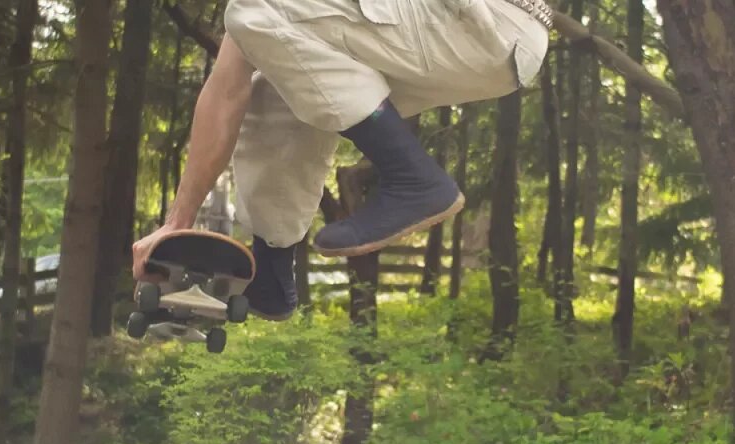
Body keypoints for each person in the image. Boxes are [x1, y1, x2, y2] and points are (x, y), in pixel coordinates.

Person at [132, 0, 551, 321]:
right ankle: (272, 273)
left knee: (259, 10)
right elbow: (227, 90)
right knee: (279, 82)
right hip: (462, 40)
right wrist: (176, 225)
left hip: (489, 20)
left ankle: (413, 178)